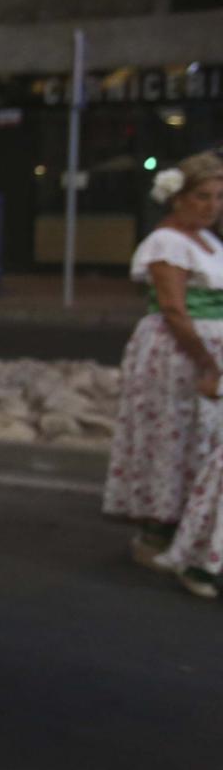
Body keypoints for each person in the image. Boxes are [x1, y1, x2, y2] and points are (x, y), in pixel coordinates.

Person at [105, 155, 223, 596]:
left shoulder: (208, 240)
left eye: (218, 197)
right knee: (172, 436)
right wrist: (208, 363)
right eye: (202, 196)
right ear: (177, 197)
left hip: (209, 348)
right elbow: (174, 308)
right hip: (179, 354)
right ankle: (157, 530)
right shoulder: (167, 243)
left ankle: (193, 530)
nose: (211, 206)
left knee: (203, 439)